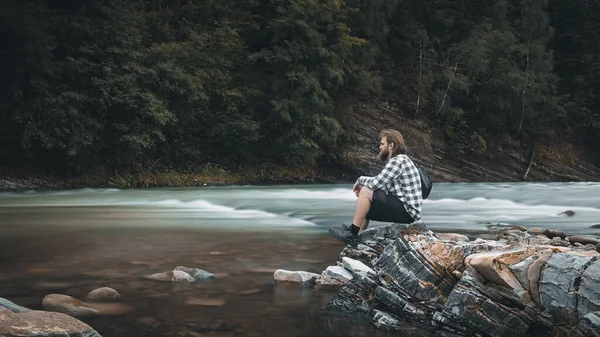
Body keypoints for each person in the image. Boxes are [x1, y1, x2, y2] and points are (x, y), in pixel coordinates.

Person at [329, 129, 423, 245]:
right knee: (366, 196)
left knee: (366, 191)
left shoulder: (398, 161)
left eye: (382, 144)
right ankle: (359, 238)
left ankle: (352, 233)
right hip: (407, 210)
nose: (380, 147)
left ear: (391, 145)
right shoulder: (401, 160)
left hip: (408, 210)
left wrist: (360, 180)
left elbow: (375, 183)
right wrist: (364, 195)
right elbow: (383, 187)